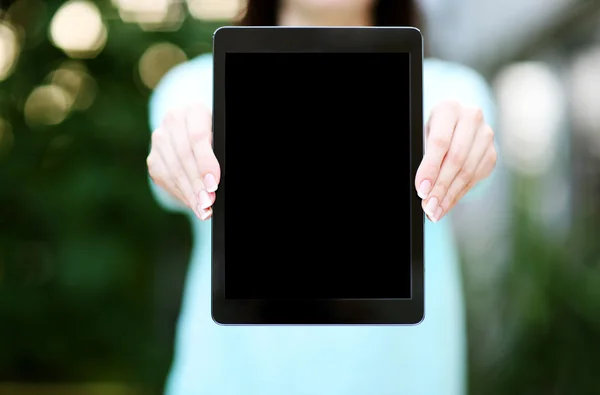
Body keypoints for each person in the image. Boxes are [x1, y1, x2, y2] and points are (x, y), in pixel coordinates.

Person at [146, 0, 498, 393]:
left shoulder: (449, 91)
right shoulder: (195, 87)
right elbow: (172, 166)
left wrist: (461, 147)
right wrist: (179, 157)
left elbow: (471, 140)